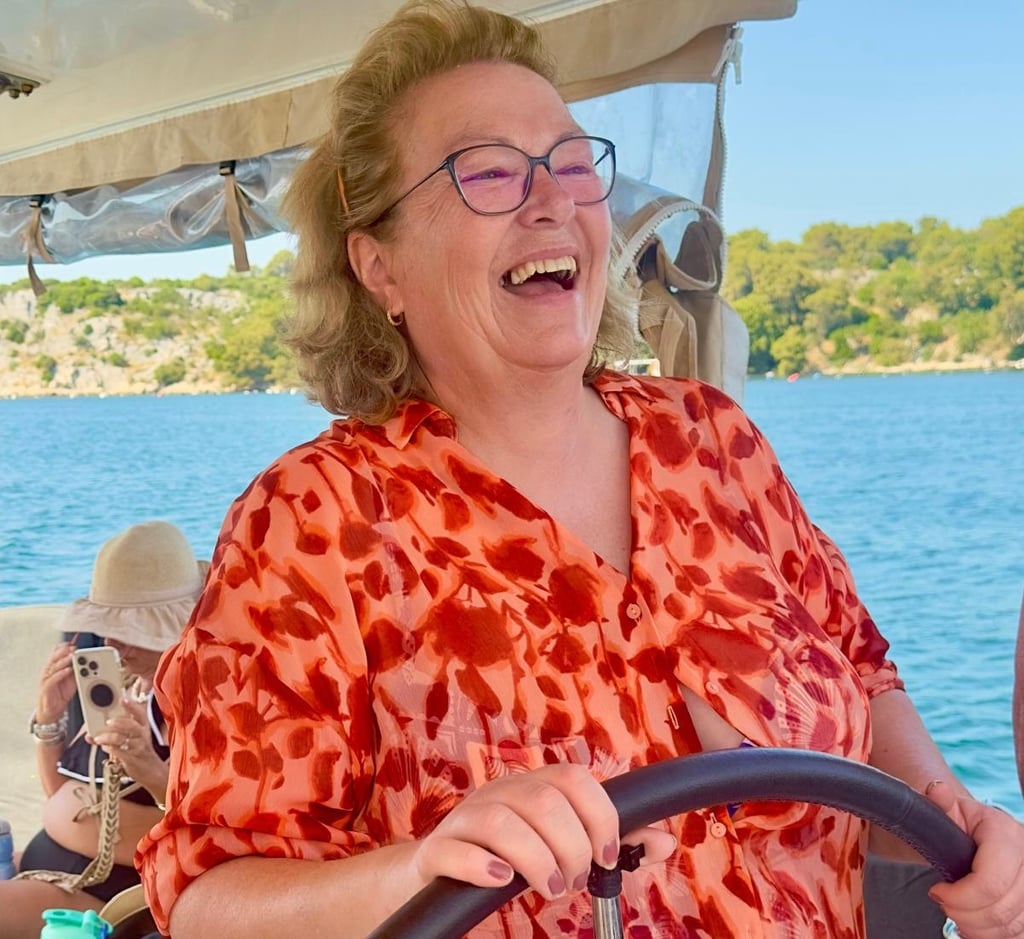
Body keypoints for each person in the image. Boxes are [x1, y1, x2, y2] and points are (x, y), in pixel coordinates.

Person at [137, 2, 1024, 936]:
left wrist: (963, 826)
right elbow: (206, 897)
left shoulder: (712, 441)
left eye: (569, 162)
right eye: (487, 172)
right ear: (380, 267)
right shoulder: (317, 520)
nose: (552, 200)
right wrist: (421, 866)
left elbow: (863, 673)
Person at [1, 521, 206, 938]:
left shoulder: (204, 700)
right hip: (55, 869)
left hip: (109, 893)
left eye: (133, 632)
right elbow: (61, 792)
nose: (116, 645)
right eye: (111, 629)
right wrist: (50, 718)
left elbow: (207, 826)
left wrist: (149, 768)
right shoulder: (127, 683)